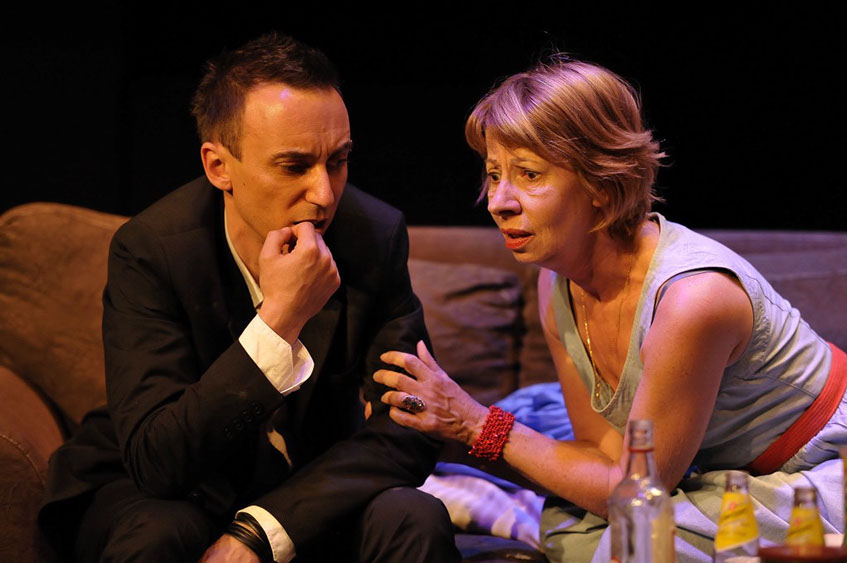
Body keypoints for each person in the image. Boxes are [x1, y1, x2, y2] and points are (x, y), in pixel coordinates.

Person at [374, 55, 847, 561]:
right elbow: (601, 462)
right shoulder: (557, 283)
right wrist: (451, 433)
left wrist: (475, 424)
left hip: (818, 474)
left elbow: (630, 488)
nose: (499, 201)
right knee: (581, 526)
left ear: (601, 182)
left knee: (633, 546)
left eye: (529, 174)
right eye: (494, 174)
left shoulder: (692, 300)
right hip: (712, 479)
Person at [38, 33, 460, 563]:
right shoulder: (152, 250)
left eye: (338, 160)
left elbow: (412, 423)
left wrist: (264, 530)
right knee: (159, 533)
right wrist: (280, 321)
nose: (325, 194)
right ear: (219, 167)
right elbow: (158, 461)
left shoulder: (372, 236)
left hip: (305, 491)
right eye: (294, 166)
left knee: (413, 516)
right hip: (173, 490)